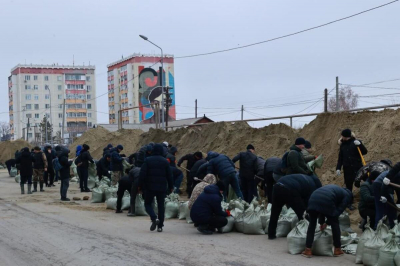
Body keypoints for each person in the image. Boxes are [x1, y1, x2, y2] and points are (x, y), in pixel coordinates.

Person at [302, 185, 353, 258]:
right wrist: (329, 222)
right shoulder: (347, 196)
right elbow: (336, 213)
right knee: (335, 223)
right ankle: (337, 249)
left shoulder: (336, 190)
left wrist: (322, 223)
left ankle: (308, 250)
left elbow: (322, 209)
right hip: (326, 200)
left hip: (313, 198)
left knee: (312, 224)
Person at [268, 174, 322, 239]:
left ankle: (271, 234)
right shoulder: (312, 185)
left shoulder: (304, 178)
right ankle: (306, 234)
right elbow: (309, 204)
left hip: (277, 186)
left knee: (275, 212)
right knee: (302, 213)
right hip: (289, 189)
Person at [138, 144, 173, 232]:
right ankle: (160, 226)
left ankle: (154, 218)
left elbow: (142, 174)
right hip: (162, 187)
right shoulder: (165, 161)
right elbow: (169, 175)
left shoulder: (148, 160)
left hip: (149, 187)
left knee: (147, 204)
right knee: (161, 206)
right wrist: (171, 186)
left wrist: (140, 185)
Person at [336, 129, 368, 210]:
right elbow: (340, 158)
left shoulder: (356, 142)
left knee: (367, 180)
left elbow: (364, 152)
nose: (342, 137)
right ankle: (349, 203)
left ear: (346, 136)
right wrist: (338, 168)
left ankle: (370, 197)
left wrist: (360, 145)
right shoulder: (342, 145)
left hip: (358, 167)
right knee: (348, 186)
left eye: (343, 136)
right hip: (348, 169)